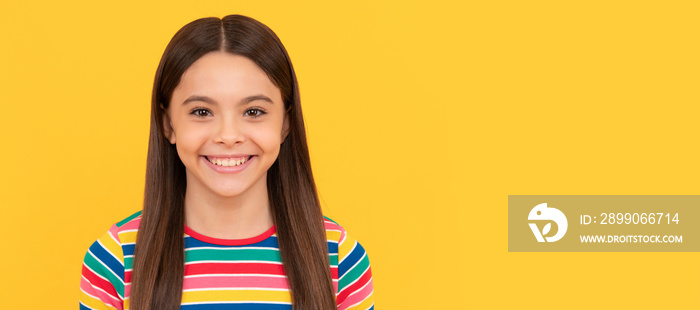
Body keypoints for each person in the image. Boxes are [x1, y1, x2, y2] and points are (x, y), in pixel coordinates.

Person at [79, 15, 374, 310]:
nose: (228, 136)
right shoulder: (115, 258)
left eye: (254, 111)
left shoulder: (338, 258)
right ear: (167, 124)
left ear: (286, 123)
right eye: (202, 112)